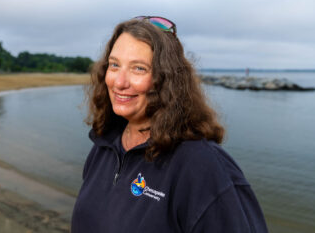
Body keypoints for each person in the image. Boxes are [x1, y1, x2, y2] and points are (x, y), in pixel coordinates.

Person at [71, 16, 268, 233]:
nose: (119, 82)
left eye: (139, 69)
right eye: (114, 65)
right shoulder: (105, 145)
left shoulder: (202, 166)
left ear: (167, 81)